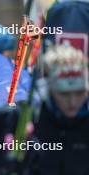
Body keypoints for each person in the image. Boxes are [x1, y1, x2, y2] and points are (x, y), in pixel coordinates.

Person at [26, 45, 89, 175]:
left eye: (80, 93)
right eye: (64, 94)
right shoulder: (31, 118)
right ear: (48, 89)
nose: (73, 102)